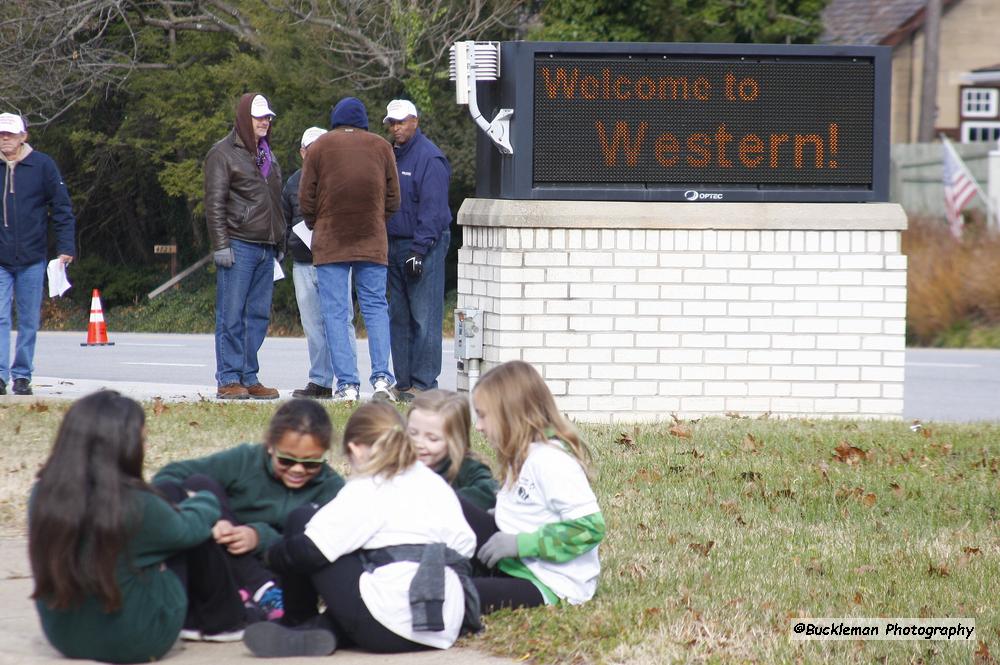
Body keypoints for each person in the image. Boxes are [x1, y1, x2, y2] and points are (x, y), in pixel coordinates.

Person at [242, 401, 479, 658]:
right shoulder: (434, 483)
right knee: (374, 571)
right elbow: (465, 546)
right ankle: (322, 631)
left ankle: (296, 620)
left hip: (381, 627)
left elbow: (311, 551)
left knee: (303, 519)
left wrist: (269, 554)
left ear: (355, 449)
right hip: (443, 624)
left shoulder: (369, 486)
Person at [28, 391, 246, 663]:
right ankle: (225, 622)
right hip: (138, 639)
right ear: (125, 446)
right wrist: (203, 500)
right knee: (192, 532)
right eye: (142, 440)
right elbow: (191, 527)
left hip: (64, 637)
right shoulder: (135, 503)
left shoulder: (42, 495)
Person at [152, 399, 346, 623]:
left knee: (305, 526)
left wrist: (258, 536)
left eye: (311, 463)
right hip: (225, 564)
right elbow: (168, 477)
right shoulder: (245, 460)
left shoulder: (331, 487)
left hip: (285, 575)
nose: (297, 469)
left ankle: (254, 596)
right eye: (286, 460)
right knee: (199, 483)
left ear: (324, 453)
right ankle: (260, 594)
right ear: (270, 446)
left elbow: (321, 548)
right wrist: (206, 514)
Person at [464, 360, 606, 613]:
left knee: (458, 593)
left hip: (547, 582)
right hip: (516, 563)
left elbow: (589, 528)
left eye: (484, 415)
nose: (479, 426)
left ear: (512, 414)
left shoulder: (550, 461)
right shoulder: (522, 453)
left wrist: (521, 544)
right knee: (451, 503)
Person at [299, 97, 400, 403]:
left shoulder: (318, 148)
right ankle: (382, 379)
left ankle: (347, 384)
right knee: (375, 308)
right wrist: (375, 221)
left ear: (335, 121)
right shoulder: (382, 147)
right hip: (371, 239)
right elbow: (394, 198)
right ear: (363, 122)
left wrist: (318, 222)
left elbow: (306, 198)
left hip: (331, 241)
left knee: (336, 312)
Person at [204, 93, 285, 400]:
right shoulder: (222, 153)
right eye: (259, 117)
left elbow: (275, 202)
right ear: (243, 118)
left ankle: (249, 376)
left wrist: (281, 240)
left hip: (266, 247)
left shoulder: (267, 154)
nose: (265, 121)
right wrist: (221, 245)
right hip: (238, 245)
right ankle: (228, 377)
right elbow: (214, 204)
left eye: (268, 117)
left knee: (258, 315)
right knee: (232, 314)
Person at [0, 112, 75, 396]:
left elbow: (62, 208)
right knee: (1, 317)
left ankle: (22, 375)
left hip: (32, 256)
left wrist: (66, 247)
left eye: (10, 134)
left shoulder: (42, 165)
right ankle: (0, 374)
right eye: (1, 134)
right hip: (1, 258)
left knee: (29, 318)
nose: (5, 139)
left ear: (23, 136)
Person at [383, 100, 452, 402]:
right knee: (398, 316)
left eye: (401, 122)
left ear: (415, 121)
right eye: (392, 123)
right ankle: (404, 382)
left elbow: (433, 211)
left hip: (425, 244)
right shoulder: (390, 156)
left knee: (423, 316)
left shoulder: (429, 157)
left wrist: (419, 250)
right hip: (394, 244)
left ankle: (424, 384)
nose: (396, 128)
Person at [282, 126, 358, 399]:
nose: (315, 154)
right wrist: (287, 248)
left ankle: (348, 381)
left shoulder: (341, 180)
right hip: (303, 263)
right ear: (302, 152)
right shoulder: (292, 182)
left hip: (336, 260)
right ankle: (320, 381)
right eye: (310, 149)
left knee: (342, 321)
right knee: (313, 324)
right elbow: (284, 220)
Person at [406, 389, 498, 510]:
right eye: (413, 433)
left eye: (432, 438)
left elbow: (490, 491)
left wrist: (441, 502)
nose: (419, 443)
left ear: (455, 440)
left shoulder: (467, 467)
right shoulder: (399, 462)